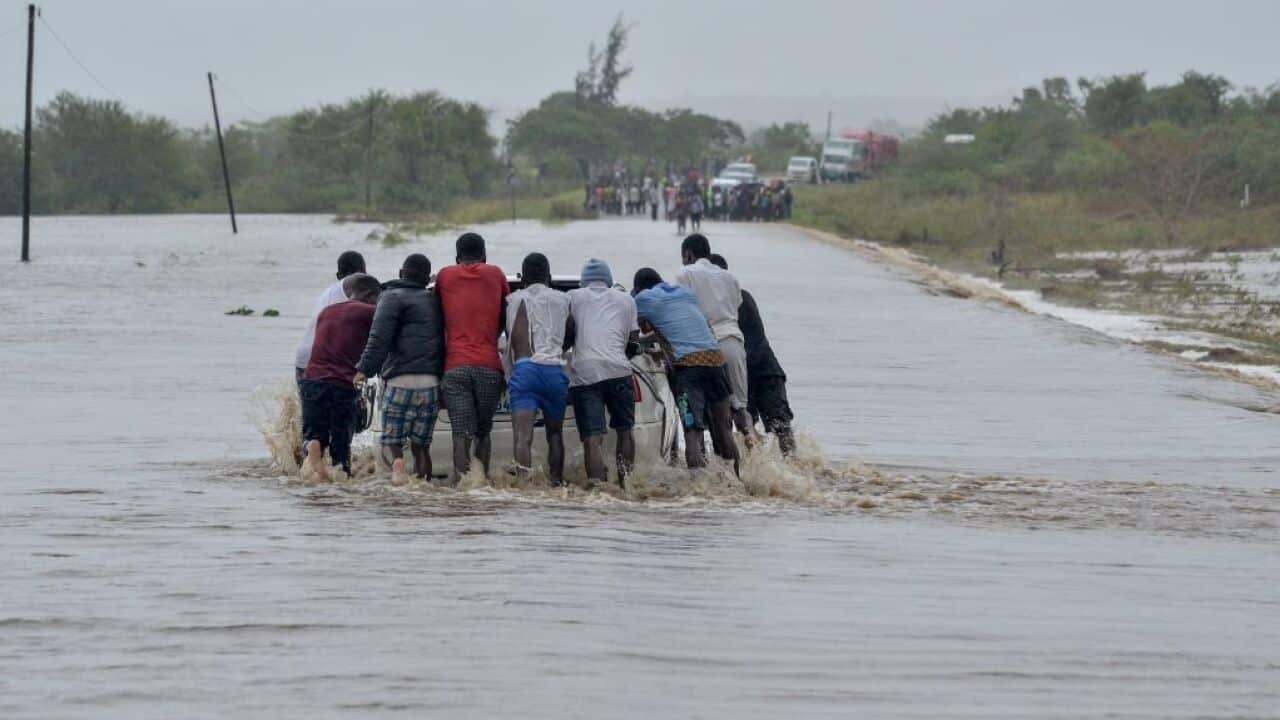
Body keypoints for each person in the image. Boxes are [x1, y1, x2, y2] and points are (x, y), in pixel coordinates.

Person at [632, 268, 739, 474]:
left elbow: (629, 330)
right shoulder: (685, 294)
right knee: (725, 431)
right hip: (716, 361)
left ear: (639, 289)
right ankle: (739, 484)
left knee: (692, 433)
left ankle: (696, 495)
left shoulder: (643, 298)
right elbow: (683, 331)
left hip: (688, 370)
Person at [353, 254, 445, 483]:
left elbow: (378, 338)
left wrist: (364, 369)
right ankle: (424, 489)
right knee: (422, 447)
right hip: (431, 383)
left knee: (393, 440)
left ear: (401, 273)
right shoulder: (435, 299)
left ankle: (397, 464)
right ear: (426, 279)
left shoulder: (390, 297)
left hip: (399, 381)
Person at [436, 233, 510, 480]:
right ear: (485, 256)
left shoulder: (445, 275)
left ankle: (462, 485)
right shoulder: (496, 274)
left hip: (456, 368)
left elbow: (437, 315)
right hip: (489, 367)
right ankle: (483, 482)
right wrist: (490, 336)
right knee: (483, 432)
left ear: (457, 258)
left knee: (461, 433)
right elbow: (505, 314)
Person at [708, 254, 796, 454]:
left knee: (775, 427)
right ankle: (787, 471)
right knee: (774, 428)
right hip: (762, 371)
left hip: (757, 373)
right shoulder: (740, 297)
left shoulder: (737, 299)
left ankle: (782, 471)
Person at [673, 234, 755, 442]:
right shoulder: (730, 277)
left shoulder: (685, 274)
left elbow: (683, 311)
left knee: (704, 415)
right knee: (740, 409)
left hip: (704, 350)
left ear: (688, 255)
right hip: (733, 344)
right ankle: (755, 454)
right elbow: (736, 306)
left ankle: (707, 467)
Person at [300, 274, 382, 480]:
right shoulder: (371, 311)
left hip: (311, 380)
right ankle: (341, 487)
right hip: (342, 385)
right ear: (372, 296)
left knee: (314, 433)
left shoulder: (327, 311)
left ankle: (313, 446)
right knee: (340, 446)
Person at [566, 258, 639, 488]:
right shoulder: (627, 300)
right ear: (608, 280)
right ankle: (626, 485)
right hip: (619, 370)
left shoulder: (572, 298)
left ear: (583, 281)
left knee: (592, 437)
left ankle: (598, 489)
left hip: (585, 373)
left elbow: (564, 334)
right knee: (625, 431)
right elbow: (633, 342)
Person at [505, 253, 571, 485]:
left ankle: (525, 487)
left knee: (522, 438)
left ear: (522, 277)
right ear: (549, 277)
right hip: (554, 371)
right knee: (555, 434)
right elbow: (570, 335)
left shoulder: (512, 300)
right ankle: (556, 483)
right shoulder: (563, 299)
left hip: (525, 372)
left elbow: (507, 336)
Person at [295, 251, 366, 386]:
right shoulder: (355, 285)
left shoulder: (328, 293)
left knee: (311, 405)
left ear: (338, 275)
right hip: (323, 363)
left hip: (304, 359)